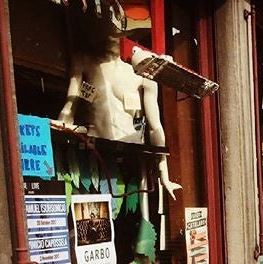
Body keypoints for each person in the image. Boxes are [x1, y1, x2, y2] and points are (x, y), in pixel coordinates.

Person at [57, 6, 181, 200]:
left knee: (133, 205)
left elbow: (155, 127)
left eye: (116, 30)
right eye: (104, 28)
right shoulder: (84, 61)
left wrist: (164, 173)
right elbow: (69, 107)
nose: (110, 35)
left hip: (134, 156)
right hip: (94, 155)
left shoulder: (141, 74)